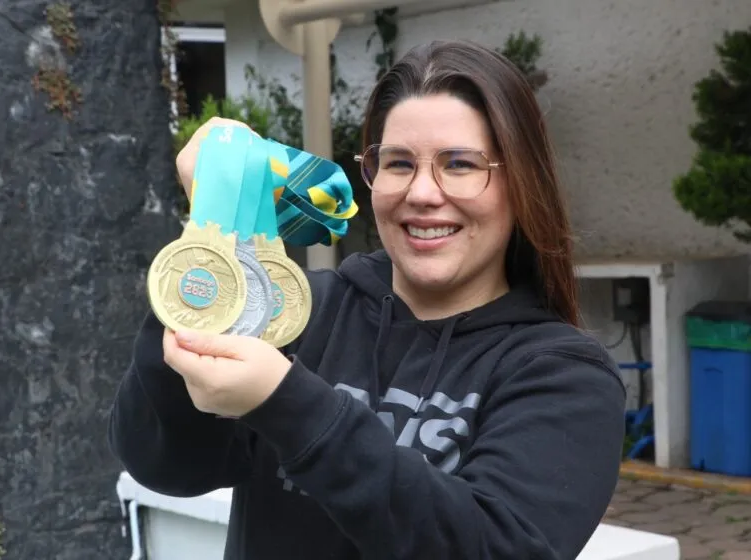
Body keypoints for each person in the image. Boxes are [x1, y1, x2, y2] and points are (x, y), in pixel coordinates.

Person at [108, 39, 626, 559]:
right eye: (398, 163)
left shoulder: (563, 376)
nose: (422, 193)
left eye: (460, 164)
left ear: (521, 182)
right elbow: (167, 465)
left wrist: (286, 403)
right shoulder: (299, 313)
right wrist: (208, 250)